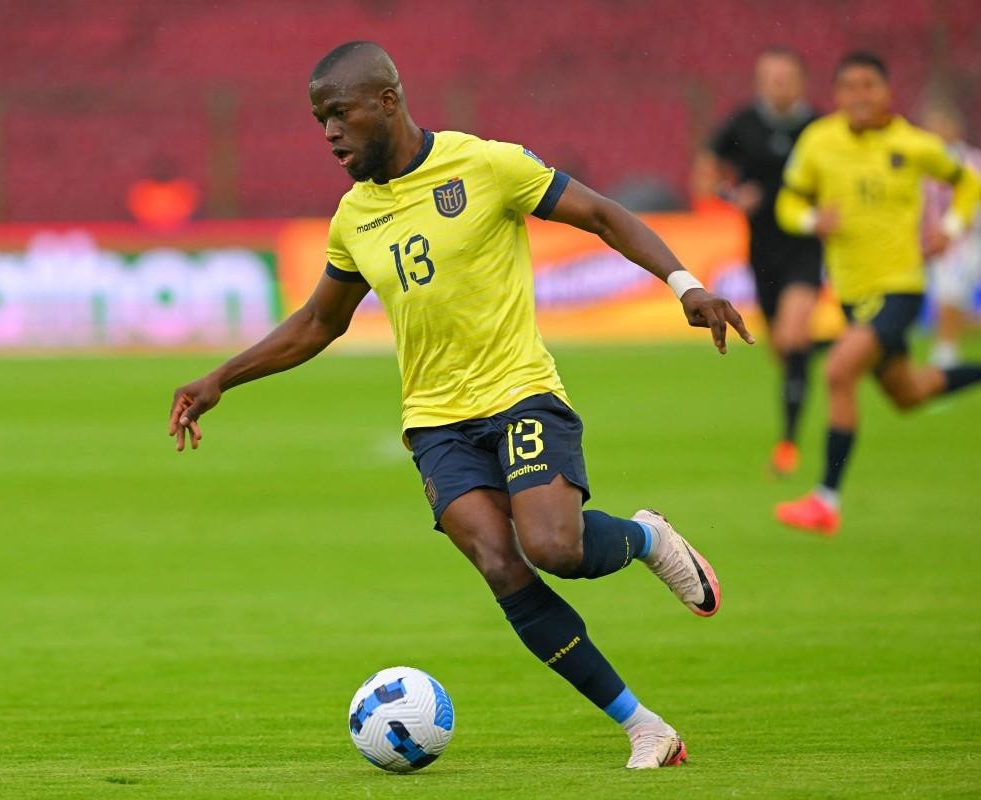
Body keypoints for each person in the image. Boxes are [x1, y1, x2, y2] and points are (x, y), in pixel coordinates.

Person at [167, 41, 754, 770]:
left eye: (339, 114)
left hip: (519, 396)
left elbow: (603, 216)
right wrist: (222, 377)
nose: (329, 133)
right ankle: (645, 728)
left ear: (387, 101)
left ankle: (643, 538)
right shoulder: (354, 216)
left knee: (554, 548)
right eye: (319, 120)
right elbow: (321, 322)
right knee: (500, 563)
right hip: (435, 423)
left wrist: (685, 286)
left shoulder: (486, 165)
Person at [774, 52, 981, 535]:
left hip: (901, 288)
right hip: (852, 293)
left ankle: (825, 499)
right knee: (910, 393)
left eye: (868, 85)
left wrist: (950, 226)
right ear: (837, 94)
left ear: (887, 92)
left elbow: (967, 181)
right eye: (848, 86)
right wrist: (811, 220)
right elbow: (789, 201)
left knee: (840, 370)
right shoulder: (819, 141)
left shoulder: (914, 144)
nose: (858, 95)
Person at [703, 46, 822, 476]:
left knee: (792, 337)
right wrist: (732, 196)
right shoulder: (743, 124)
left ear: (801, 81)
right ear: (759, 81)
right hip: (762, 251)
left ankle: (788, 446)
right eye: (771, 77)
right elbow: (708, 173)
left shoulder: (819, 128)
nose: (779, 85)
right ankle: (824, 355)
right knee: (783, 349)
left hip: (806, 248)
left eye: (786, 77)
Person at [920, 105, 981, 369]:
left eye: (939, 125)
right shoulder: (923, 163)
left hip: (969, 240)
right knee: (948, 296)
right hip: (937, 243)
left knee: (950, 294)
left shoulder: (972, 160)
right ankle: (946, 352)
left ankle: (946, 354)